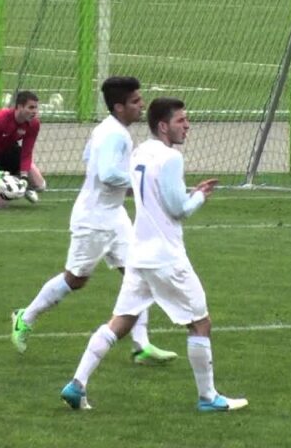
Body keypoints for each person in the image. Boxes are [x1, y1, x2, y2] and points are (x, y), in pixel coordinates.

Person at [59, 97, 247, 412]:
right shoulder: (170, 158)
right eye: (180, 121)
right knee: (200, 323)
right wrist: (199, 196)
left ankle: (77, 384)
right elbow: (178, 209)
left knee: (120, 322)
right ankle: (208, 397)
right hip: (166, 257)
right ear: (163, 125)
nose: (187, 125)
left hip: (138, 254)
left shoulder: (140, 152)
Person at [10, 77, 177, 365]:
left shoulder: (110, 130)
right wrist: (142, 180)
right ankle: (26, 316)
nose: (142, 106)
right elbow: (108, 174)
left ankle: (142, 344)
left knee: (139, 273)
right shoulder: (115, 135)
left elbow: (90, 156)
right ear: (119, 106)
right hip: (94, 218)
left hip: (114, 216)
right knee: (75, 279)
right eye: (136, 101)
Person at [0, 91, 46, 209]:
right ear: (19, 107)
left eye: (36, 108)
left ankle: (18, 184)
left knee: (40, 185)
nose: (34, 111)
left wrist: (24, 177)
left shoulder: (34, 123)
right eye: (31, 107)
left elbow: (26, 153)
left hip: (9, 153)